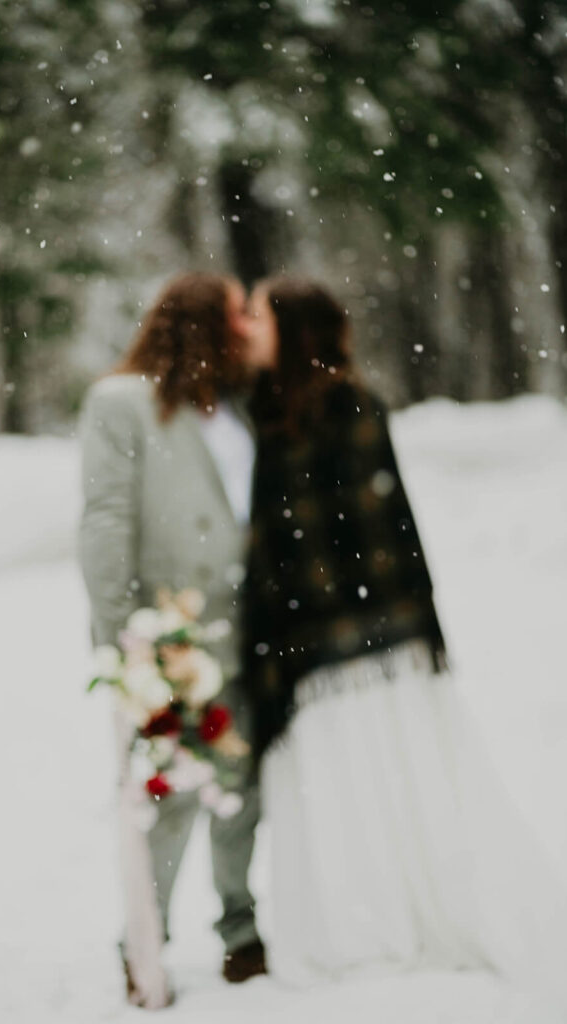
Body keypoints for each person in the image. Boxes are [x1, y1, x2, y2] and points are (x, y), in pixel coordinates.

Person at [241, 275, 567, 1008]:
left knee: (391, 781)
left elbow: (381, 530)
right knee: (342, 788)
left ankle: (394, 915)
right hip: (316, 639)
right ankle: (366, 914)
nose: (246, 326)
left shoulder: (345, 405)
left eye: (257, 313)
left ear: (291, 330)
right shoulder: (259, 413)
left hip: (364, 635)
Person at [79, 272, 266, 1008]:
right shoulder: (121, 402)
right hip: (169, 632)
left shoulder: (243, 405)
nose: (248, 326)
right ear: (200, 325)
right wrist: (122, 638)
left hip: (249, 621)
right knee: (167, 794)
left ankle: (240, 927)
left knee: (242, 783)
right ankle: (143, 941)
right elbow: (103, 521)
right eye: (235, 313)